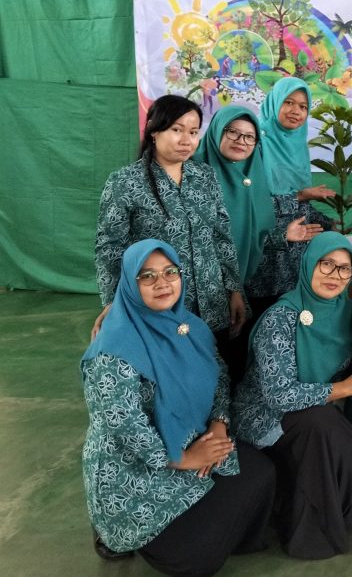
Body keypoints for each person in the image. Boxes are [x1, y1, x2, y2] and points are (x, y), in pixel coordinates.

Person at [82, 239, 275, 575]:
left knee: (259, 472)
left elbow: (218, 375)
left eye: (170, 272)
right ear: (129, 284)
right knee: (194, 561)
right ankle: (120, 532)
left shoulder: (190, 327)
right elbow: (124, 424)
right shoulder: (111, 351)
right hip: (137, 465)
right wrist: (182, 459)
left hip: (191, 436)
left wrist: (218, 424)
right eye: (147, 276)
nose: (162, 283)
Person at [232, 231, 352, 558]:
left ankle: (343, 517)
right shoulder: (280, 318)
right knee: (320, 430)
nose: (334, 275)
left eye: (344, 268)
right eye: (326, 264)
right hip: (264, 413)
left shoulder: (346, 312)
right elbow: (279, 395)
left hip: (316, 406)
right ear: (309, 263)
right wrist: (344, 388)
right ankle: (310, 537)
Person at [94, 94, 244, 342]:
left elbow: (221, 236)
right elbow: (110, 247)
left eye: (193, 132)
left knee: (212, 360)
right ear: (154, 130)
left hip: (212, 300)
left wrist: (234, 289)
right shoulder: (124, 182)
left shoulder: (205, 176)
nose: (187, 140)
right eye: (177, 130)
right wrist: (112, 301)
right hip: (159, 301)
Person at [194, 105, 322, 382]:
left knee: (234, 359)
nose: (241, 141)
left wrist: (282, 236)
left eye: (249, 137)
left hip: (240, 285)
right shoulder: (192, 176)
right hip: (197, 292)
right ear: (216, 132)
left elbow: (251, 234)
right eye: (232, 132)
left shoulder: (251, 179)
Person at [249, 77, 336, 321]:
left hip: (296, 258)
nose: (296, 111)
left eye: (303, 106)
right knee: (264, 322)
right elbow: (249, 201)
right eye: (288, 102)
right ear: (274, 102)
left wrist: (328, 224)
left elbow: (299, 207)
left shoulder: (297, 144)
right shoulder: (255, 143)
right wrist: (301, 194)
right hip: (265, 256)